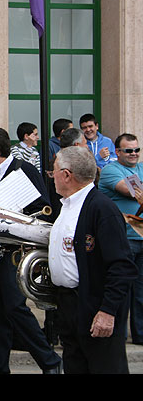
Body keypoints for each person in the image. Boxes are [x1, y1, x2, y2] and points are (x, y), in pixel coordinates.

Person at [0, 126, 62, 374]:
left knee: (15, 308)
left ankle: (50, 362)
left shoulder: (24, 170)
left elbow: (43, 207)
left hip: (13, 252)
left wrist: (14, 215)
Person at [49, 146, 138, 373]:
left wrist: (108, 312)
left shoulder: (102, 208)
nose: (52, 175)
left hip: (94, 307)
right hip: (70, 306)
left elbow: (121, 266)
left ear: (67, 175)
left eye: (55, 170)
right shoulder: (67, 205)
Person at [98, 133, 143, 345]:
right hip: (123, 239)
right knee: (120, 289)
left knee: (142, 290)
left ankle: (140, 334)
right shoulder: (110, 170)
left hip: (141, 238)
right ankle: (117, 335)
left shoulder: (141, 168)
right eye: (128, 150)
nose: (134, 154)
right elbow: (133, 191)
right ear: (118, 152)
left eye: (136, 150)